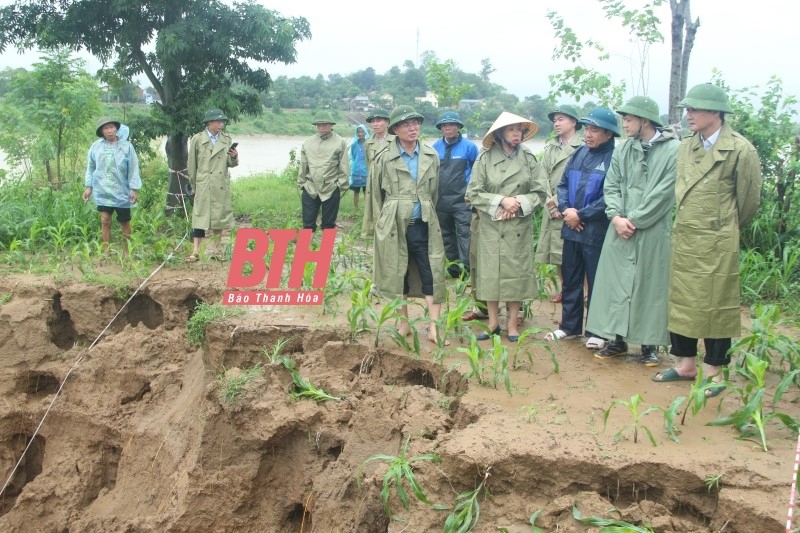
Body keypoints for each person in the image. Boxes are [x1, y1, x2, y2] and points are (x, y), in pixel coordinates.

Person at [652, 83, 762, 395]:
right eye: (687, 110)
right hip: (686, 238)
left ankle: (715, 372)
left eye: (694, 110)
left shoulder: (740, 149)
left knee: (716, 304)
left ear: (714, 112)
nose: (688, 115)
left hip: (716, 242)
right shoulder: (688, 145)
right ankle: (685, 363)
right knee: (683, 302)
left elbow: (749, 202)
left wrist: (721, 227)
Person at [585, 97, 680, 365]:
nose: (623, 124)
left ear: (645, 121)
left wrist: (635, 220)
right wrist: (616, 217)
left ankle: (650, 345)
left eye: (628, 120)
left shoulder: (674, 150)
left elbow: (664, 193)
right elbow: (611, 185)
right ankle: (617, 340)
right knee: (615, 284)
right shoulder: (623, 149)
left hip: (651, 230)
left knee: (649, 286)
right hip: (620, 227)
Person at [363, 105, 446, 344]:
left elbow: (434, 192)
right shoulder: (383, 157)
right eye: (406, 125)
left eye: (416, 123)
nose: (413, 128)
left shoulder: (431, 155)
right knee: (398, 275)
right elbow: (376, 195)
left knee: (433, 273)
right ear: (396, 130)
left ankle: (434, 328)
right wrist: (381, 225)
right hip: (393, 225)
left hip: (424, 223)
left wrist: (425, 209)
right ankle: (403, 324)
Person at [465, 112, 545, 342]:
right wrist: (500, 201)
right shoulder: (485, 158)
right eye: (511, 130)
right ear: (500, 134)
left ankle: (511, 324)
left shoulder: (529, 158)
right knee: (490, 273)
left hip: (518, 225)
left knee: (516, 274)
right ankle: (492, 323)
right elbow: (473, 192)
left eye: (519, 130)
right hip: (491, 225)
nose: (516, 134)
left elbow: (540, 191)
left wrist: (517, 203)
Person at [545, 108, 618, 347]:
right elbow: (563, 184)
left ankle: (597, 330)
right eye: (586, 129)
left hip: (596, 230)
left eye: (594, 130)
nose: (588, 134)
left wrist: (582, 214)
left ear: (608, 133)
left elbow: (611, 195)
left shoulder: (614, 158)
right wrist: (568, 210)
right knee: (571, 278)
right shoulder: (579, 153)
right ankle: (569, 326)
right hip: (571, 227)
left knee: (597, 281)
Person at [534, 105, 584, 303]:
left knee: (576, 251)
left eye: (561, 119)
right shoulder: (550, 147)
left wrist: (558, 203)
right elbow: (541, 176)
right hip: (551, 207)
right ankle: (565, 288)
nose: (557, 123)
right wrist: (549, 201)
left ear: (573, 122)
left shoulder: (582, 146)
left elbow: (580, 180)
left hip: (571, 206)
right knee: (556, 254)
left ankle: (585, 292)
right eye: (555, 120)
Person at [83, 117, 142, 254]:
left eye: (111, 127)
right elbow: (91, 167)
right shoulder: (96, 147)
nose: (109, 131)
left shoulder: (127, 147)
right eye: (106, 128)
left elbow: (133, 168)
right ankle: (106, 250)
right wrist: (88, 187)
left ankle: (127, 251)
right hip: (103, 190)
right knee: (105, 220)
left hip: (122, 191)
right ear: (102, 131)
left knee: (124, 221)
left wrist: (134, 189)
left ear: (116, 129)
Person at [187, 108, 238, 261]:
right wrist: (194, 186)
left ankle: (217, 250)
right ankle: (195, 251)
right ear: (209, 123)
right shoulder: (197, 139)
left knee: (218, 217)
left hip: (219, 184)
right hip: (203, 184)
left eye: (222, 121)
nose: (221, 124)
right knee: (199, 217)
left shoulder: (226, 139)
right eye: (218, 121)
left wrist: (234, 157)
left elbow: (230, 164)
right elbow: (192, 165)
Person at [432, 110, 478, 279]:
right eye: (444, 125)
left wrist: (473, 198)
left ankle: (466, 271)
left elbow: (477, 172)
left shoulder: (470, 147)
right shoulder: (435, 148)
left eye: (451, 124)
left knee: (465, 235)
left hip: (462, 202)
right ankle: (453, 270)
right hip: (441, 202)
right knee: (446, 236)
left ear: (458, 127)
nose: (448, 128)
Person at [298, 111, 349, 231]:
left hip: (330, 188)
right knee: (307, 225)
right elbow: (303, 165)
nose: (321, 127)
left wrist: (339, 185)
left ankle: (326, 250)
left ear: (331, 125)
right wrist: (302, 183)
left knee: (329, 225)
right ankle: (305, 250)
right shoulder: (308, 142)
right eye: (319, 125)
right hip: (310, 187)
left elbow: (344, 165)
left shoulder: (340, 142)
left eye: (325, 124)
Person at [364, 109, 394, 175]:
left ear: (387, 122)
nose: (375, 124)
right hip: (374, 181)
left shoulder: (396, 140)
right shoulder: (368, 143)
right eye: (373, 121)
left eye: (378, 121)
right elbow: (368, 165)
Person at [348, 124, 369, 209]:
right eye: (359, 132)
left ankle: (366, 209)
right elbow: (352, 156)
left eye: (362, 132)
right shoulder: (354, 144)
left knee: (366, 192)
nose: (360, 134)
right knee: (356, 192)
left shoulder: (369, 143)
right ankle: (356, 208)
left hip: (366, 171)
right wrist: (353, 166)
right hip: (356, 171)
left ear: (365, 132)